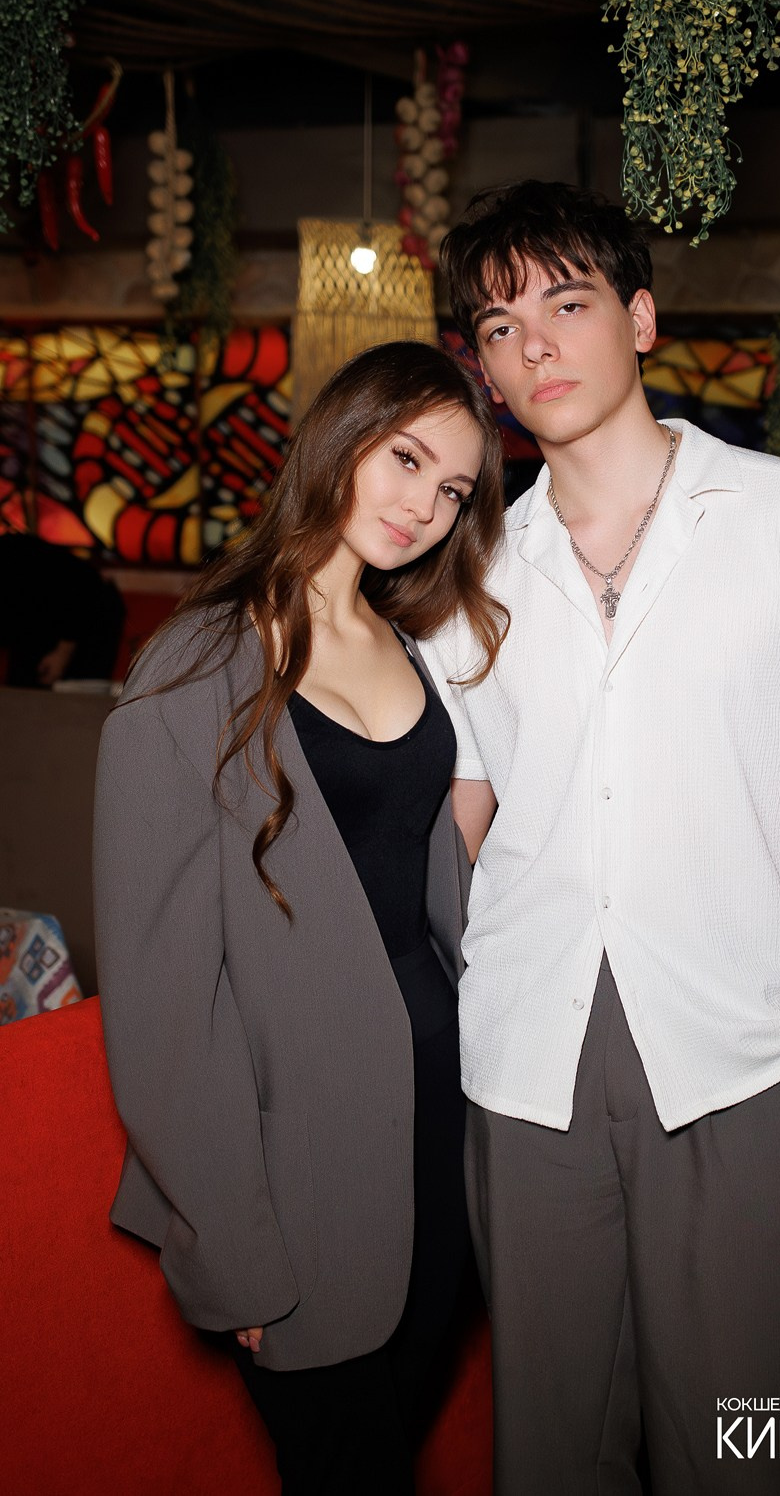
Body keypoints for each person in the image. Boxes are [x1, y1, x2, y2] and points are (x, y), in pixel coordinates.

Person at [420, 182, 780, 1496]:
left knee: (757, 1436)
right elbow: (462, 817)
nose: (535, 346)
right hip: (524, 1057)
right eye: (499, 327)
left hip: (739, 1049)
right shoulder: (471, 566)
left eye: (566, 304)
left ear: (640, 319)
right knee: (550, 1444)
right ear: (483, 368)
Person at [93, 340, 507, 1494]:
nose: (423, 506)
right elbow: (164, 1012)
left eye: (452, 490)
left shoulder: (410, 648)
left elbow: (443, 891)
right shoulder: (193, 670)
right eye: (406, 459)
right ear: (341, 436)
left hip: (442, 1130)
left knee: (396, 1444)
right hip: (299, 1161)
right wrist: (232, 1246)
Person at [0, 531, 125, 686]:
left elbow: (85, 584)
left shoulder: (14, 553)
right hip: (36, 625)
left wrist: (62, 654)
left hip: (91, 611)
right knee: (23, 687)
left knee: (79, 689)